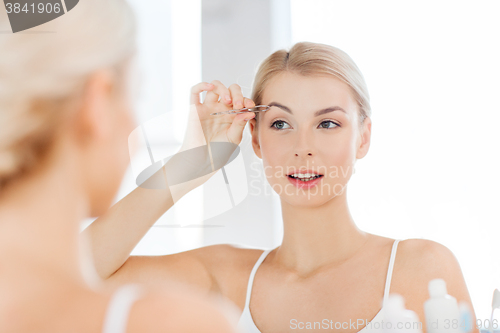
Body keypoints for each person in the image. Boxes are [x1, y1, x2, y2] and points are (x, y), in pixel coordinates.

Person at [83, 42, 478, 333]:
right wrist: (188, 166)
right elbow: (75, 274)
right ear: (255, 140)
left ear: (363, 137)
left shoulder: (421, 268)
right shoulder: (224, 279)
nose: (302, 148)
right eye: (281, 124)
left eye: (327, 124)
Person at [0, 0, 248, 332]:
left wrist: (188, 166)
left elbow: (82, 265)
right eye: (136, 93)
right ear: (97, 103)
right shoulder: (171, 323)